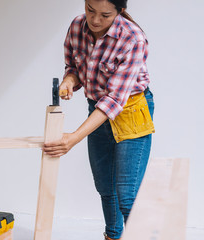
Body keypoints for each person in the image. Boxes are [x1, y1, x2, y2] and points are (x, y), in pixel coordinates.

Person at [43, 0, 155, 239]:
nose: (94, 20)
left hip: (131, 111)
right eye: (90, 10)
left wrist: (73, 138)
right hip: (96, 108)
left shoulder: (132, 39)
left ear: (120, 11)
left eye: (105, 15)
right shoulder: (76, 26)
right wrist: (68, 82)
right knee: (105, 187)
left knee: (127, 195)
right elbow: (73, 67)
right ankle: (112, 236)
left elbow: (114, 100)